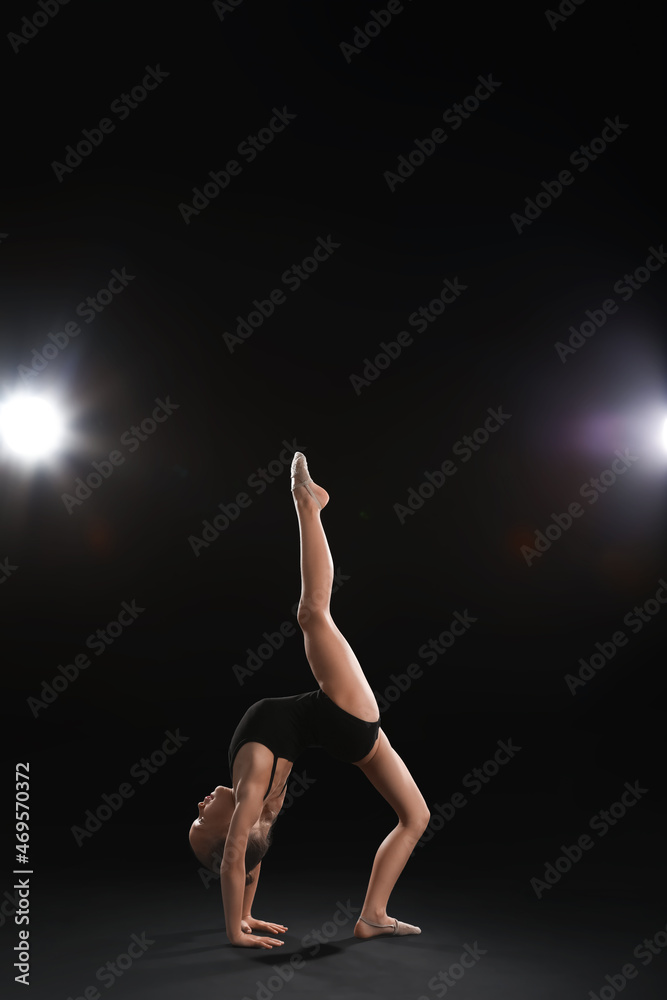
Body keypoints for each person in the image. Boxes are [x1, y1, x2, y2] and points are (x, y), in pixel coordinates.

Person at [188, 452, 430, 949]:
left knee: (417, 817)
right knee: (312, 613)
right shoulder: (251, 790)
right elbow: (237, 857)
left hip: (336, 727)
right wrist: (235, 931)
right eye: (200, 819)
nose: (199, 804)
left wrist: (248, 913)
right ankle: (307, 504)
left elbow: (248, 857)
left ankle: (373, 916)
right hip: (340, 716)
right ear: (228, 828)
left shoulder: (259, 812)